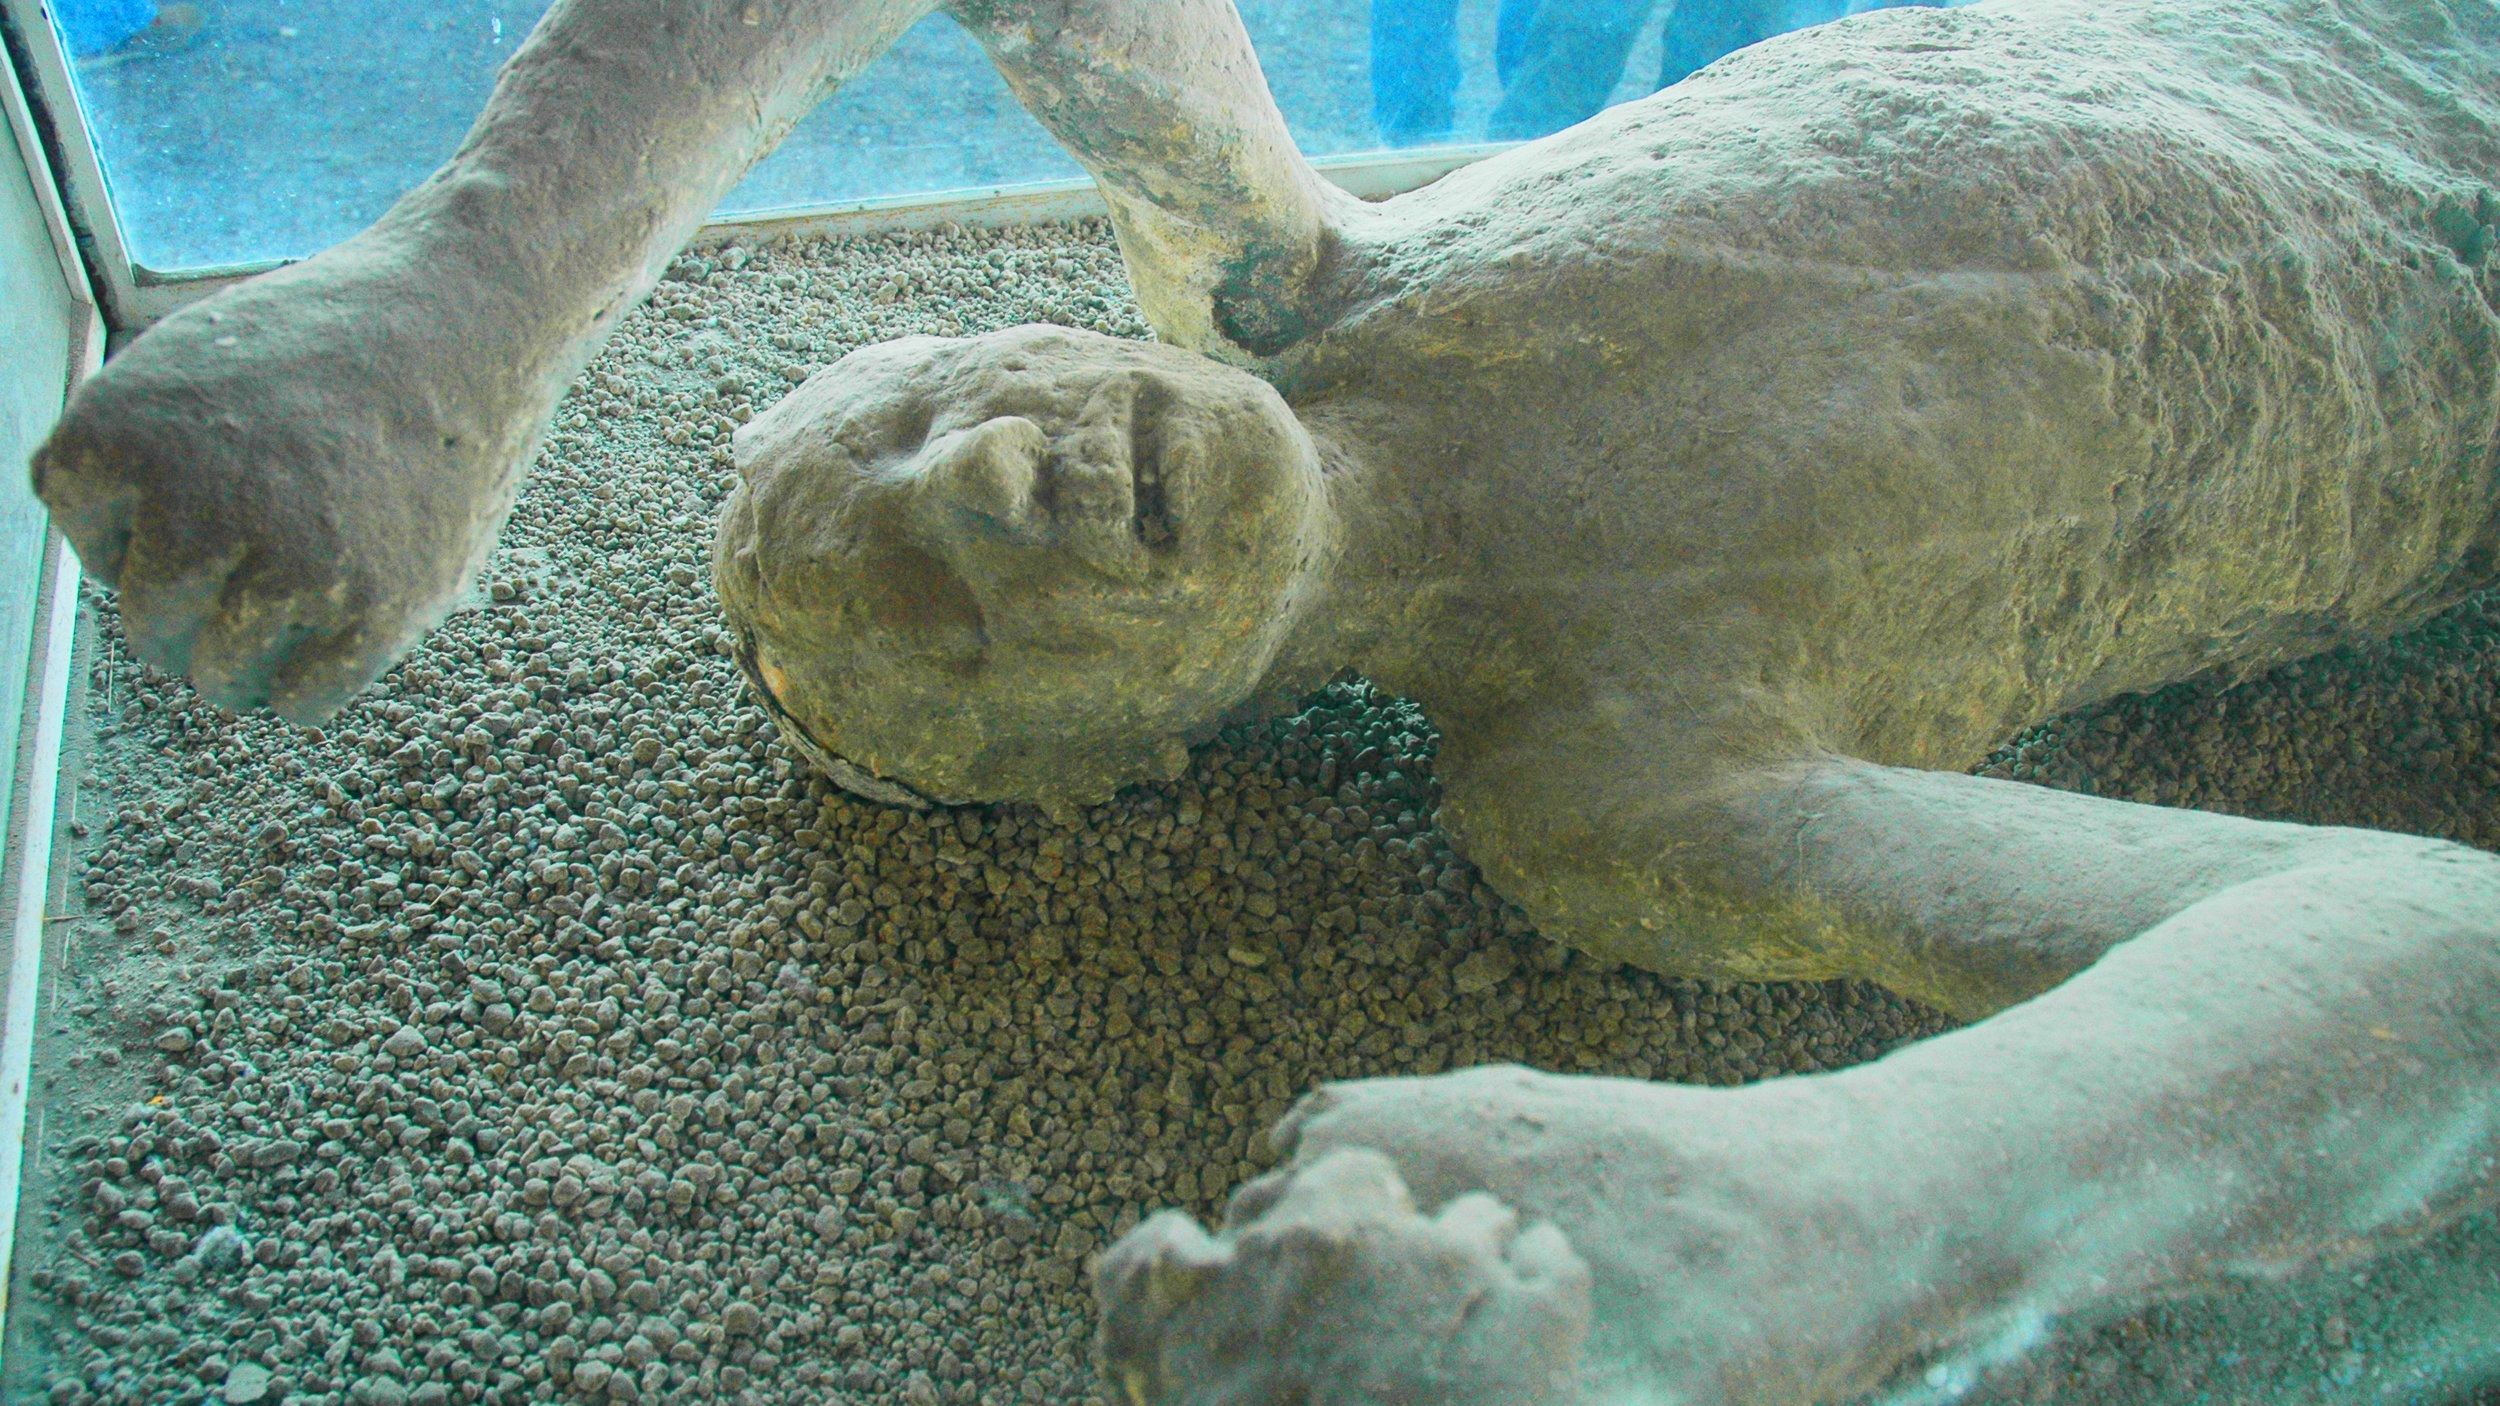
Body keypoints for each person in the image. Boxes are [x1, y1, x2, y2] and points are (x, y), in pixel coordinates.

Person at [27, 0, 2500, 1398]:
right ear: (1126, 771)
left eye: (912, 413)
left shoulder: (1288, 276)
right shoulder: (1616, 776)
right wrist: (1801, 1227)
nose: (992, 480)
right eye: (947, 602)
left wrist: (459, 306)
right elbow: (2430, 967)